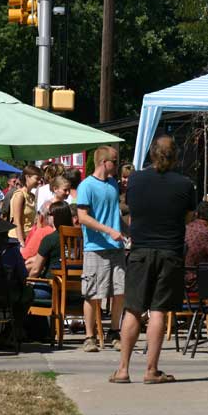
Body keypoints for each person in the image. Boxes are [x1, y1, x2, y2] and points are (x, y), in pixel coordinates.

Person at [110, 135, 196, 384]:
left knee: (133, 309)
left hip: (140, 251)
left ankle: (123, 370)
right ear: (175, 156)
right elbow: (188, 218)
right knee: (158, 311)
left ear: (151, 154)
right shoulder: (185, 184)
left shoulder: (135, 180)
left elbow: (131, 209)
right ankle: (151, 370)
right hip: (169, 251)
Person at [77, 145, 125, 353]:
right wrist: (108, 231)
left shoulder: (114, 184)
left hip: (116, 246)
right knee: (92, 293)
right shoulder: (86, 186)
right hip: (95, 247)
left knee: (120, 292)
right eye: (115, 161)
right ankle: (90, 337)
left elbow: (114, 215)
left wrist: (127, 230)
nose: (117, 165)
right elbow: (83, 217)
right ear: (104, 162)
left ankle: (115, 332)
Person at [25, 201, 74, 279]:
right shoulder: (78, 238)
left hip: (52, 284)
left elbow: (35, 270)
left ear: (55, 216)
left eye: (49, 214)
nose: (47, 217)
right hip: (75, 284)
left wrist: (27, 283)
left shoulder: (50, 239)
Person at [9, 165, 41, 247]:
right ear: (27, 177)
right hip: (17, 239)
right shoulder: (19, 195)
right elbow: (17, 222)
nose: (39, 181)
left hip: (28, 237)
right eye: (37, 178)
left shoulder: (32, 196)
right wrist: (21, 242)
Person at [118, 164, 134, 239]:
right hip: (118, 232)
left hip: (131, 233)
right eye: (124, 177)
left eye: (129, 177)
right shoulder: (115, 190)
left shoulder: (136, 190)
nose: (126, 180)